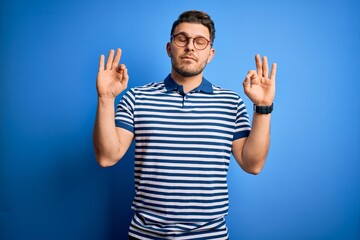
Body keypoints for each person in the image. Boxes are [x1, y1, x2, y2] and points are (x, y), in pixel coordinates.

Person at [93, 10, 276, 240]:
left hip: (210, 236)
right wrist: (106, 99)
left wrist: (263, 107)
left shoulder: (231, 103)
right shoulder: (136, 98)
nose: (190, 46)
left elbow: (253, 164)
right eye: (182, 38)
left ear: (210, 54)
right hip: (146, 235)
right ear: (170, 47)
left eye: (200, 42)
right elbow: (106, 157)